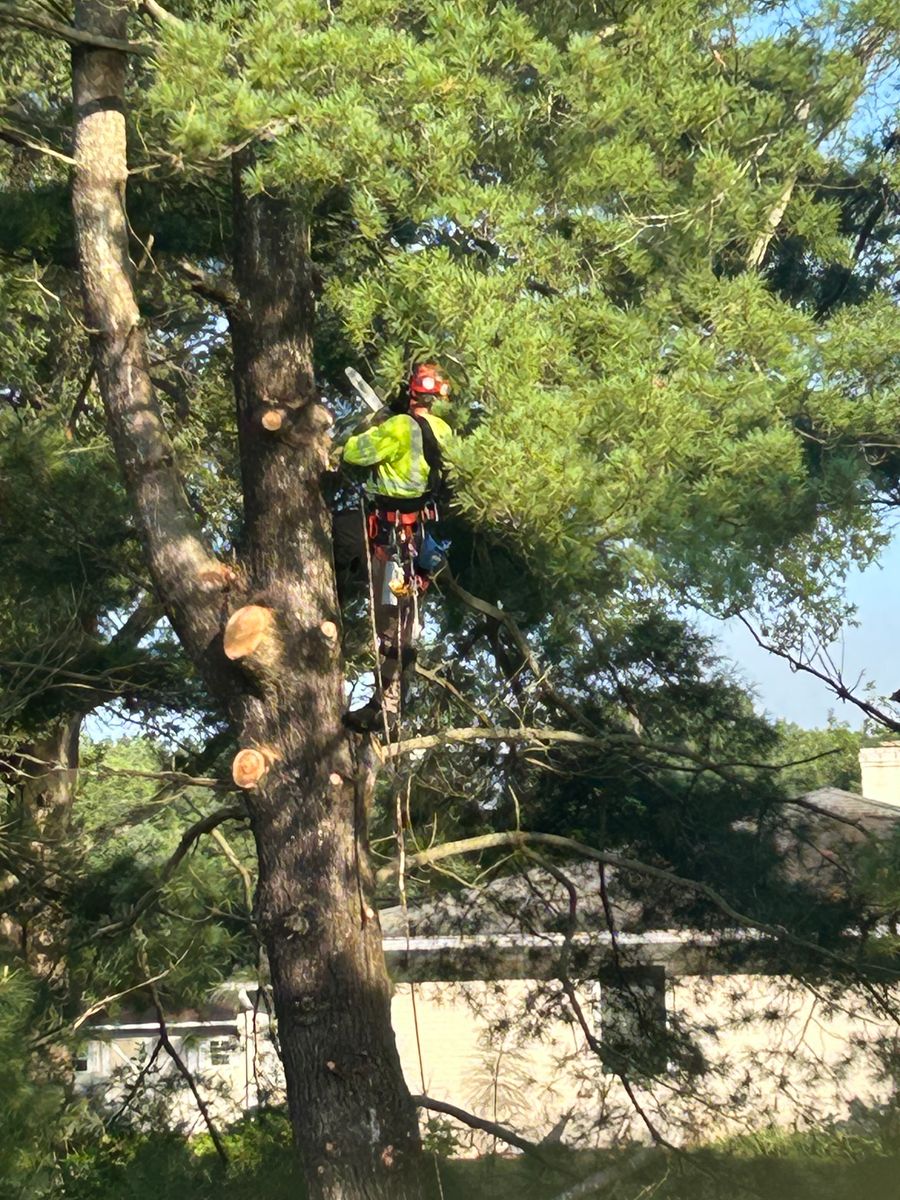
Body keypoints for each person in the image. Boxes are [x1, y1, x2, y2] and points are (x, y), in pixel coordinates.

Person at [334, 363, 454, 734]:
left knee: (389, 623)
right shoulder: (445, 431)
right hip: (418, 542)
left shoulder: (397, 427)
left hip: (392, 544)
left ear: (410, 392)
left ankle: (383, 707)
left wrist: (372, 425)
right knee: (404, 622)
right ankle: (388, 705)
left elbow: (353, 454)